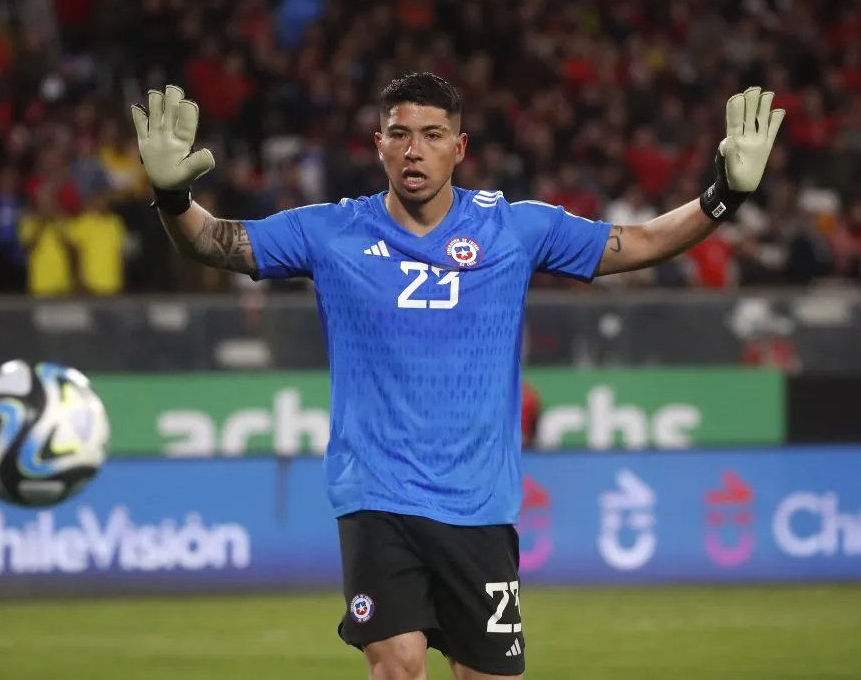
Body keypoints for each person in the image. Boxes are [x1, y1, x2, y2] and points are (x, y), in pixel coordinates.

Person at [130, 73, 784, 680]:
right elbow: (218, 241)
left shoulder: (515, 228)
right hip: (377, 494)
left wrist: (723, 195)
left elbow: (638, 242)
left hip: (479, 504)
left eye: (433, 135)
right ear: (377, 143)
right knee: (399, 661)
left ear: (460, 147)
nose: (415, 149)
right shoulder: (332, 231)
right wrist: (171, 196)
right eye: (400, 133)